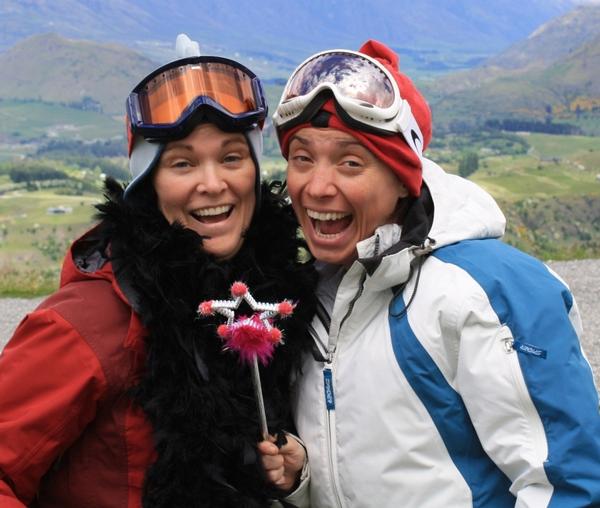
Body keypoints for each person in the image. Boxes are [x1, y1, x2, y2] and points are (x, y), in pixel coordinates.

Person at [268, 39, 600, 507]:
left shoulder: (486, 292)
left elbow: (566, 485)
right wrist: (303, 478)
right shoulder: (313, 293)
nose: (318, 187)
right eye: (302, 158)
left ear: (403, 180)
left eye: (350, 162)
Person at [0, 35, 315, 507]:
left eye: (232, 157)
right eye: (182, 163)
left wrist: (292, 472)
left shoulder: (256, 307)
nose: (212, 184)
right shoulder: (84, 324)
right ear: (150, 185)